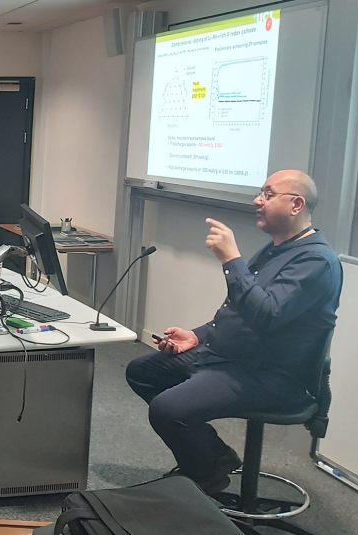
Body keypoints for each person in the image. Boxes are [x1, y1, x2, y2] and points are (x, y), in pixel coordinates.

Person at [124, 169, 342, 495]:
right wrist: (197, 335)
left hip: (271, 375)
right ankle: (216, 456)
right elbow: (238, 311)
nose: (257, 200)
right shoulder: (277, 248)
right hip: (231, 356)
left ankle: (206, 478)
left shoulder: (316, 261)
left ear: (296, 204)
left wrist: (231, 259)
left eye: (268, 194)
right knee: (141, 372)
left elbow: (265, 315)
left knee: (169, 409)